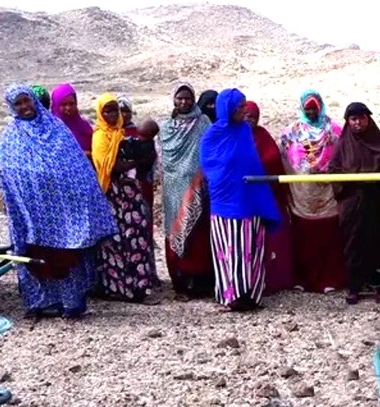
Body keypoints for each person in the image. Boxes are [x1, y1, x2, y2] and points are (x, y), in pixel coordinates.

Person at [0, 85, 117, 319]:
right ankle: (40, 303)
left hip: (63, 211)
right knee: (37, 255)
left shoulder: (57, 127)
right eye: (18, 104)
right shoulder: (10, 136)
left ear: (34, 100)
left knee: (66, 254)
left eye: (26, 101)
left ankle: (71, 303)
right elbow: (8, 173)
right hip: (32, 211)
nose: (24, 107)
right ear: (12, 108)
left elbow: (76, 166)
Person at [200, 89, 282, 311]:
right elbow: (211, 165)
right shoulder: (212, 135)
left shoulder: (244, 130)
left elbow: (252, 162)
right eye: (239, 107)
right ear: (226, 109)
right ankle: (232, 295)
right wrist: (231, 176)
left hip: (250, 198)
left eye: (245, 105)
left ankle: (251, 294)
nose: (244, 110)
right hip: (225, 200)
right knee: (229, 250)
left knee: (251, 247)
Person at [91, 93, 158, 303]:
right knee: (114, 242)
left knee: (135, 238)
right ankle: (118, 289)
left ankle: (139, 289)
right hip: (111, 195)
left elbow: (147, 157)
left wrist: (136, 160)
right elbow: (111, 167)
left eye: (115, 110)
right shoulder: (100, 136)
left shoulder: (123, 134)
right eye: (107, 110)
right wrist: (135, 161)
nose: (112, 114)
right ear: (101, 113)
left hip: (130, 194)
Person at [280, 90, 348, 293]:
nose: (310, 112)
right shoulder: (291, 132)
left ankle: (330, 278)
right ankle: (303, 279)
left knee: (327, 236)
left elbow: (343, 154)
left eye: (314, 108)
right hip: (302, 194)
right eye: (307, 108)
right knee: (303, 237)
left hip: (327, 194)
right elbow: (284, 157)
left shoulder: (334, 130)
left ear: (320, 107)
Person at [328, 102, 380, 305]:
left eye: (362, 118)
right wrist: (354, 178)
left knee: (377, 241)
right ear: (348, 121)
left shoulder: (379, 142)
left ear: (368, 119)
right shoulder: (343, 145)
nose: (358, 123)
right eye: (353, 119)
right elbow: (333, 170)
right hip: (352, 202)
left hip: (375, 201)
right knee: (353, 243)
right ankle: (355, 286)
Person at [160, 83, 216, 299]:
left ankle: (200, 282)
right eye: (179, 98)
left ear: (193, 100)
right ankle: (180, 281)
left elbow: (209, 152)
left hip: (198, 186)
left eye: (187, 98)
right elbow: (164, 160)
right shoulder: (167, 128)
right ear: (174, 100)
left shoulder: (204, 123)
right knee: (175, 229)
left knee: (197, 234)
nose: (183, 102)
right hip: (173, 188)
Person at [244, 100, 296, 294]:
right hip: (244, 198)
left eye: (254, 117)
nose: (250, 120)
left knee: (273, 239)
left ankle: (275, 280)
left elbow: (272, 159)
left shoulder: (263, 136)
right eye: (247, 116)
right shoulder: (235, 137)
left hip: (268, 197)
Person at [50, 83, 95, 154]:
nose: (68, 108)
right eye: (63, 104)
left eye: (71, 104)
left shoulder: (84, 126)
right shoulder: (51, 130)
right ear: (56, 105)